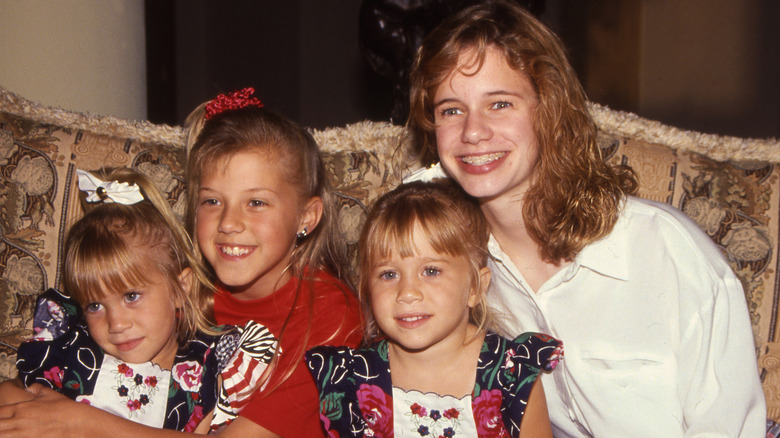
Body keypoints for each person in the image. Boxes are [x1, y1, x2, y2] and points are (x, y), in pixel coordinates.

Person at [405, 1, 766, 436]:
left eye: (499, 104)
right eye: (450, 110)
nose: (472, 132)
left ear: (549, 110)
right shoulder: (453, 268)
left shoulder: (665, 250)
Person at [0, 168, 277, 433]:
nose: (116, 323)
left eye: (131, 296)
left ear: (180, 289)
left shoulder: (208, 368)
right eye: (95, 306)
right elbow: (12, 398)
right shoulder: (71, 350)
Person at [306, 180, 563, 438]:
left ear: (474, 287)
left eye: (431, 271)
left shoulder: (512, 376)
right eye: (388, 274)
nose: (407, 293)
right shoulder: (350, 380)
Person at [185, 90, 363, 437]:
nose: (228, 223)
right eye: (211, 200)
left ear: (306, 217)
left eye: (255, 202)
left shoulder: (331, 316)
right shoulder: (184, 296)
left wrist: (75, 421)